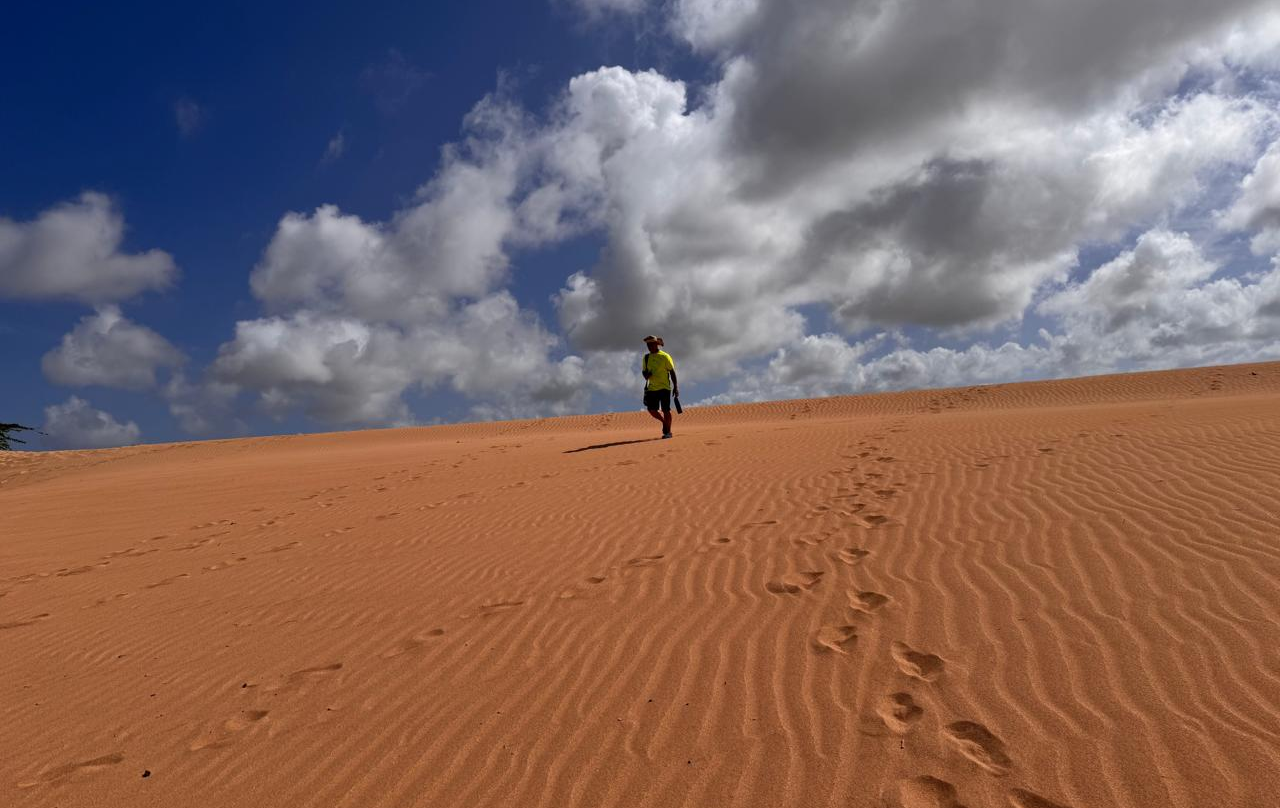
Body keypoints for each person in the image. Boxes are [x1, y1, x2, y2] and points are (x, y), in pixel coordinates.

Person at [641, 335, 678, 439]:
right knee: (651, 410)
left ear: (656, 344)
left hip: (665, 387)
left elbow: (672, 372)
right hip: (652, 388)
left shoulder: (665, 356)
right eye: (648, 345)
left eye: (651, 344)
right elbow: (644, 372)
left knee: (666, 410)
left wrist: (676, 387)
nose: (649, 346)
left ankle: (668, 432)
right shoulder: (646, 357)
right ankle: (664, 422)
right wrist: (646, 375)